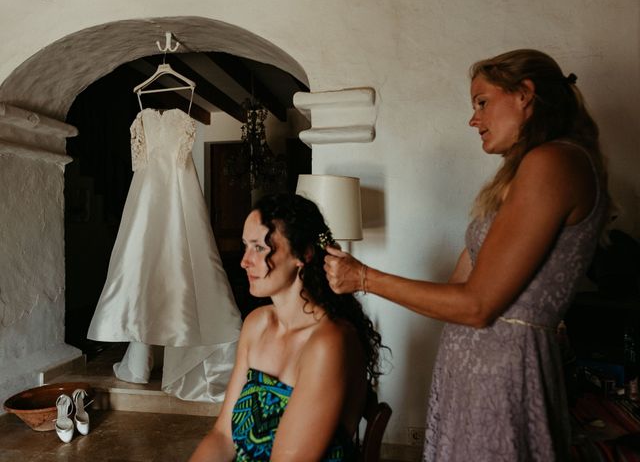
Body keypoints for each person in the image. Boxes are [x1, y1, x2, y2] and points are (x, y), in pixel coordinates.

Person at [324, 49, 611, 461]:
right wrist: (357, 275)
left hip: (505, 371)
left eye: (482, 102)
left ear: (525, 95)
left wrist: (365, 278)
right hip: (472, 368)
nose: (473, 119)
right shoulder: (521, 173)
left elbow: (477, 306)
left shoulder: (554, 162)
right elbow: (456, 292)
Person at [189, 193, 385, 462]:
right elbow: (223, 436)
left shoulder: (329, 342)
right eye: (245, 246)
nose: (245, 261)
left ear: (303, 253)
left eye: (259, 248)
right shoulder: (256, 324)